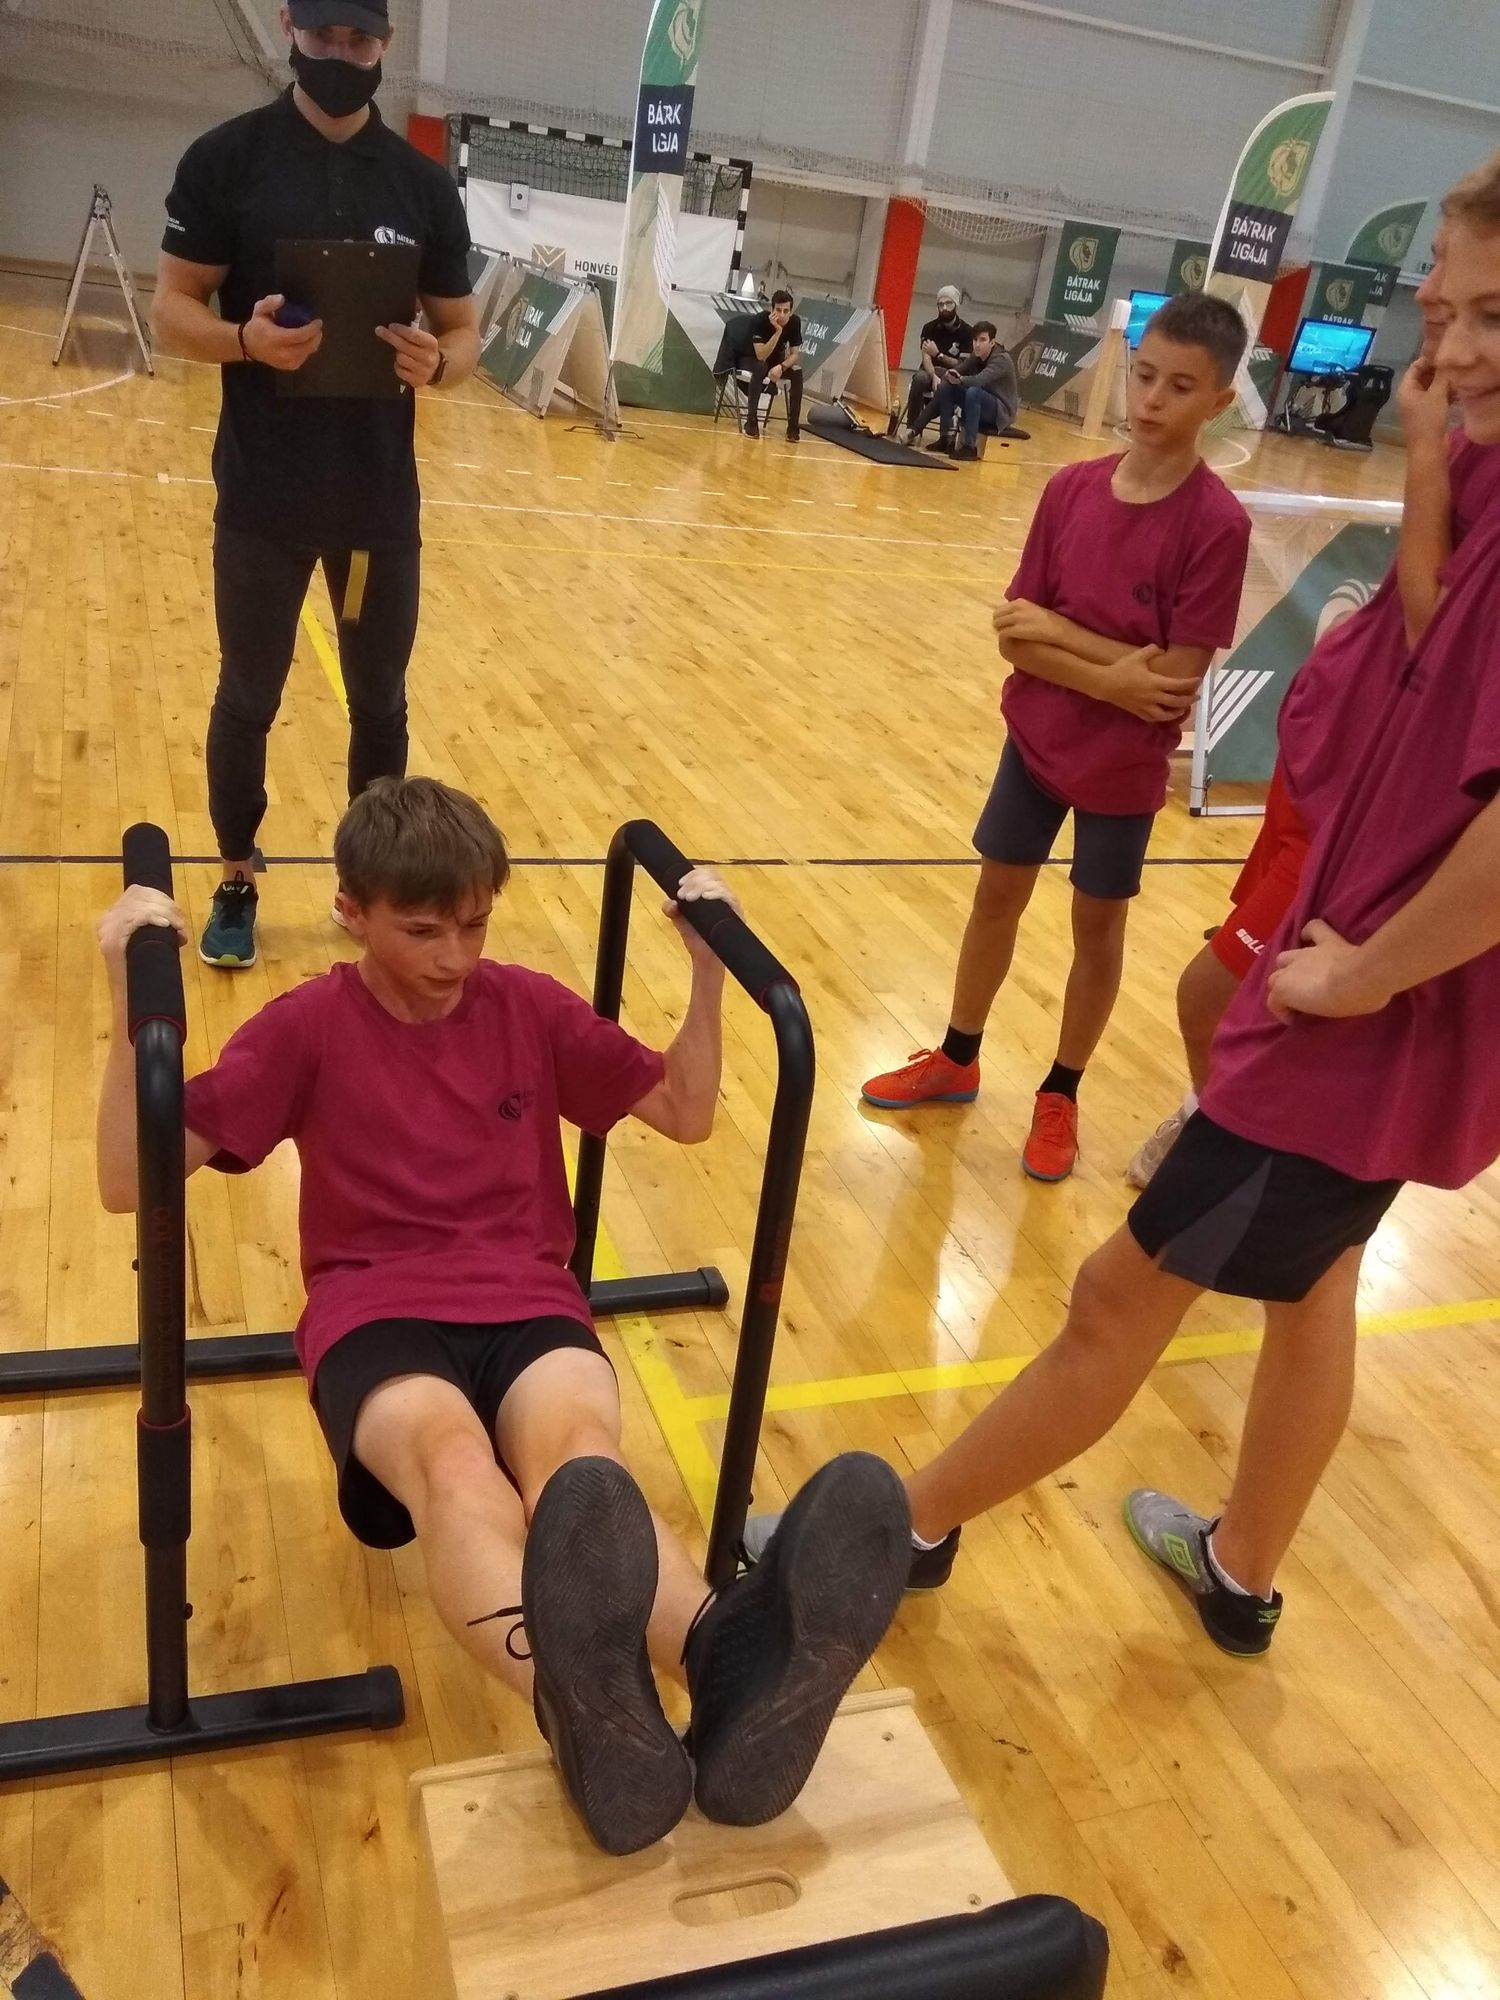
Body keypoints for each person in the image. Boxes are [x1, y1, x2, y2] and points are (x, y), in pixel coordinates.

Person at [747, 156, 1500, 1656]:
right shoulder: (1470, 457)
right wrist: (1425, 465)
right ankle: (1239, 1569)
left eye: (1490, 316)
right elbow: (1431, 653)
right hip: (1361, 963)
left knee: (1113, 1296)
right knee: (1316, 1284)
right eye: (1443, 307)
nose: (1450, 342)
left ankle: (899, 1536)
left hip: (1365, 1016)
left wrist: (1363, 978)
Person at [94, 777, 911, 1854]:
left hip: (526, 1295)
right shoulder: (306, 1028)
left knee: (581, 1465)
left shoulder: (526, 1005)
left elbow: (684, 1110)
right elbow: (127, 1175)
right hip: (376, 1309)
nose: (454, 956)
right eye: (422, 930)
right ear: (352, 910)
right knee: (455, 1469)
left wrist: (708, 974)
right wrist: (129, 998)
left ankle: (720, 1658)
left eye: (475, 924)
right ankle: (582, 1697)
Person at [864, 292, 1252, 1183]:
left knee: (1095, 929)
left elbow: (1170, 684)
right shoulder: (1069, 490)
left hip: (1123, 769)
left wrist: (1063, 639)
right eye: (1144, 375)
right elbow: (1014, 635)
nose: (1151, 399)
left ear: (1219, 401)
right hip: (1034, 744)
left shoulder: (1217, 525)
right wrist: (1110, 672)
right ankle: (958, 1057)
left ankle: (1061, 1091)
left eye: (1180, 386)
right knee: (994, 899)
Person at [1127, 323, 1500, 1188]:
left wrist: (1422, 444)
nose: (1436, 309)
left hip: (1346, 815)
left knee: (1207, 995)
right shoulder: (1472, 447)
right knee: (1238, 990)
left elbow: (1433, 631)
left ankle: (1218, 1146)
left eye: (1478, 306)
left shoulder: (1457, 448)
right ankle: (1229, 1142)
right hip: (1308, 782)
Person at [152, 0, 481, 973]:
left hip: (374, 512)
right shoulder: (228, 159)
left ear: (386, 45)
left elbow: (464, 332)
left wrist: (440, 364)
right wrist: (243, 341)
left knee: (379, 703)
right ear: (291, 29)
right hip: (264, 501)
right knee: (249, 694)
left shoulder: (422, 186)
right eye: (325, 37)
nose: (343, 55)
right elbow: (172, 306)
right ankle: (236, 878)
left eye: (361, 40)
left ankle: (369, 889)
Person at [907, 322, 1019, 459]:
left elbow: (978, 380)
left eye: (982, 340)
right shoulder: (976, 355)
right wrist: (949, 375)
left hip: (1001, 411)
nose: (977, 344)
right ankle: (944, 438)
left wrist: (959, 379)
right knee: (946, 387)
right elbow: (958, 370)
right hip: (981, 402)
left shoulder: (1001, 359)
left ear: (992, 342)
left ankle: (969, 447)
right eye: (975, 340)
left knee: (973, 392)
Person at [898, 284, 975, 438]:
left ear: (956, 304)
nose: (944, 308)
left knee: (948, 386)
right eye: (940, 304)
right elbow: (926, 356)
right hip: (929, 370)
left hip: (951, 373)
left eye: (948, 303)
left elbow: (962, 364)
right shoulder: (929, 328)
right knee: (919, 379)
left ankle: (943, 436)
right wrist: (933, 375)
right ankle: (910, 428)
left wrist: (939, 355)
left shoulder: (967, 332)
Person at [738, 289, 804, 440]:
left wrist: (782, 367)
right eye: (778, 310)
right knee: (761, 366)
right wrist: (778, 331)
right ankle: (751, 422)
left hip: (775, 361)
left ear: (791, 312)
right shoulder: (760, 320)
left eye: (786, 311)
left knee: (797, 372)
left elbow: (795, 355)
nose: (782, 315)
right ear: (772, 309)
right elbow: (761, 355)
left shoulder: (795, 322)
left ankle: (793, 427)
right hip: (751, 357)